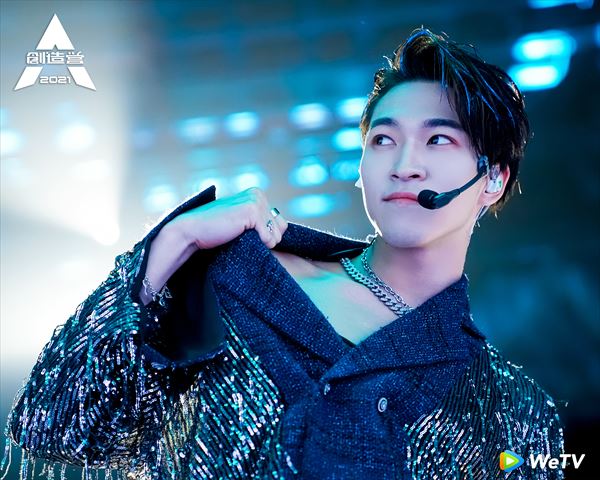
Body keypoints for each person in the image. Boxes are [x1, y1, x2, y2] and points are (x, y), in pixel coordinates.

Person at [3, 28, 564, 479]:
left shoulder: (512, 414)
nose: (404, 165)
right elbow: (55, 425)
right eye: (383, 140)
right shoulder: (243, 276)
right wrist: (173, 242)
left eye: (438, 139)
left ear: (492, 179)